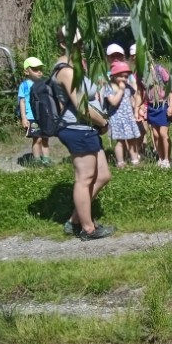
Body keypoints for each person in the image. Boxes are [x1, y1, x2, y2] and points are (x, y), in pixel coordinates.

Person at [53, 25, 114, 241]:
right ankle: (88, 229)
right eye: (76, 44)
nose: (80, 47)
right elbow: (81, 106)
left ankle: (74, 221)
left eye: (81, 43)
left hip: (87, 128)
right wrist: (103, 122)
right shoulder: (66, 71)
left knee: (103, 175)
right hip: (76, 129)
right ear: (63, 44)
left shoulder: (75, 66)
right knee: (85, 178)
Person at [102, 59, 141, 168]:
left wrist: (136, 107)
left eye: (126, 76)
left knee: (132, 139)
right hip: (117, 118)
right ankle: (120, 162)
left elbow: (136, 96)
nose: (124, 79)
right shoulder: (109, 87)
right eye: (121, 76)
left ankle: (134, 160)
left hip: (128, 117)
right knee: (120, 141)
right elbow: (113, 102)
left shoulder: (128, 86)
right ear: (113, 76)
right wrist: (121, 90)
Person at [18, 56, 51, 166]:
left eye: (40, 69)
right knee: (37, 139)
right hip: (31, 116)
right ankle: (36, 160)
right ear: (26, 71)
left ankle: (46, 159)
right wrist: (24, 118)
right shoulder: (24, 86)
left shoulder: (44, 84)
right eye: (35, 69)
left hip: (44, 116)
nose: (39, 71)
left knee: (45, 138)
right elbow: (22, 102)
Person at [142, 55, 172, 168]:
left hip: (162, 104)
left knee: (163, 134)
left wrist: (170, 105)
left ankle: (167, 159)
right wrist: (142, 106)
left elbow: (170, 85)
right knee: (155, 134)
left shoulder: (159, 69)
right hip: (151, 105)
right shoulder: (143, 74)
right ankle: (160, 157)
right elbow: (143, 91)